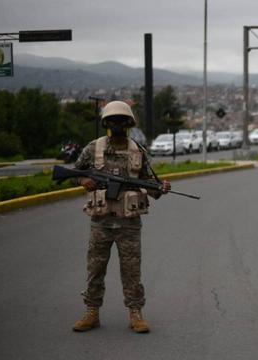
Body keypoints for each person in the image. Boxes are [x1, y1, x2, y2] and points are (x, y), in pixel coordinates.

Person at [71, 101, 171, 333]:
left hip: (129, 224)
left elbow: (150, 183)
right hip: (101, 222)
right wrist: (82, 180)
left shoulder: (138, 151)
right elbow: (74, 172)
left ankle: (136, 314)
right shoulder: (93, 149)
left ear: (128, 123)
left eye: (121, 121)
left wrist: (161, 188)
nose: (117, 124)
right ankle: (91, 312)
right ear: (106, 123)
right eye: (113, 120)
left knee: (131, 271)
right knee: (95, 269)